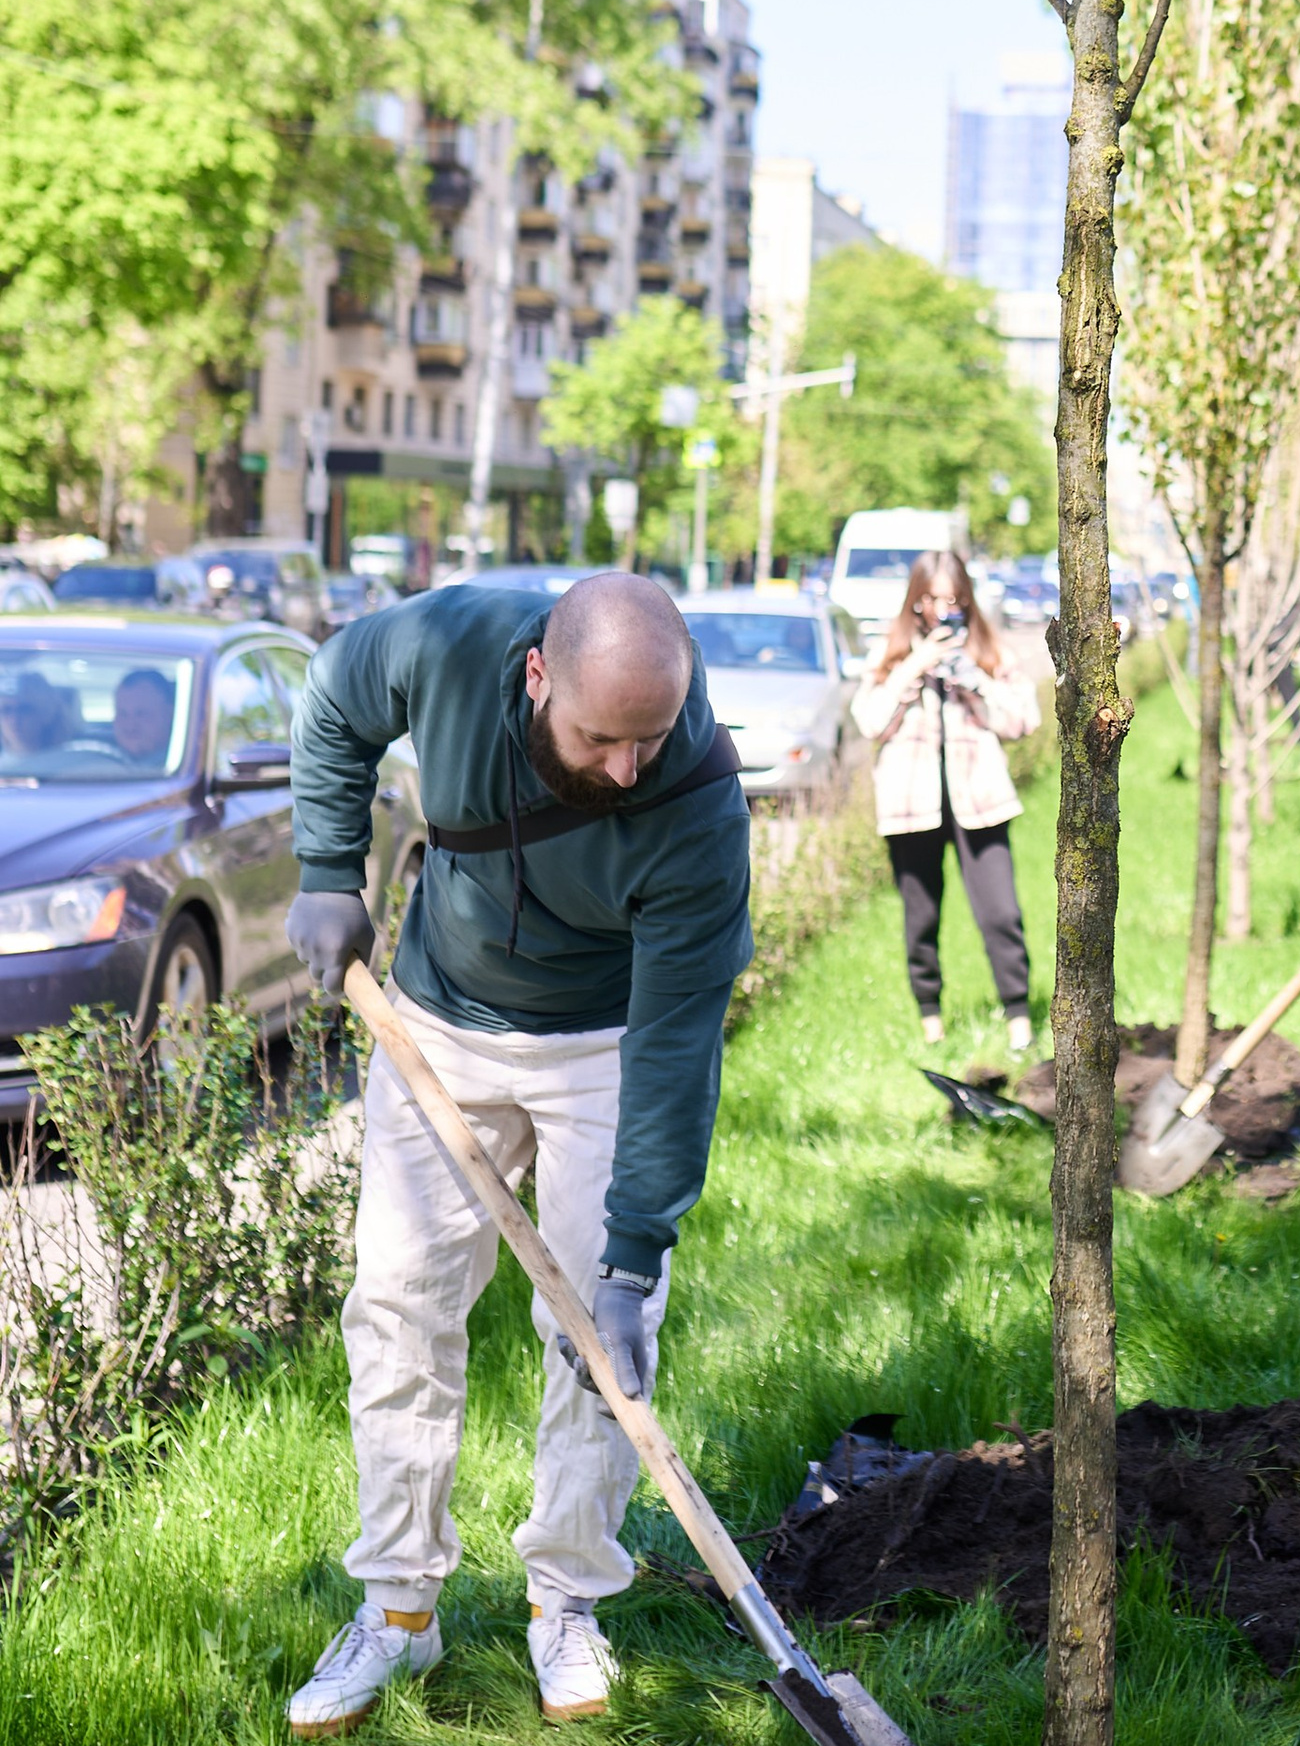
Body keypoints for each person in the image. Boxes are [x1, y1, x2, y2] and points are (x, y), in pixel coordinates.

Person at [282, 571, 750, 1735]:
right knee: (398, 1300)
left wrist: (635, 1259)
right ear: (539, 674)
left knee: (596, 1338)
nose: (628, 767)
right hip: (438, 1021)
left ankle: (566, 1601)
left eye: (650, 738)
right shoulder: (451, 642)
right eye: (603, 737)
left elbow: (678, 1047)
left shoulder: (694, 801)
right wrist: (325, 870)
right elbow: (335, 695)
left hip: (606, 1045)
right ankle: (397, 1606)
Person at [854, 551, 1041, 1054]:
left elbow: (1024, 721)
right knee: (922, 917)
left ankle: (1019, 1019)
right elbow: (870, 723)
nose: (942, 610)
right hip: (910, 805)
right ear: (915, 601)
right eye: (932, 600)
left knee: (1001, 912)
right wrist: (914, 666)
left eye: (953, 600)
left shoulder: (987, 649)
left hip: (979, 799)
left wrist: (972, 678)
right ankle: (931, 1019)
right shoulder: (890, 653)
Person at [112, 665, 177, 768]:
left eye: (141, 713)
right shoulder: (94, 763)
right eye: (122, 713)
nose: (130, 725)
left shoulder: (185, 769)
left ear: (170, 713)